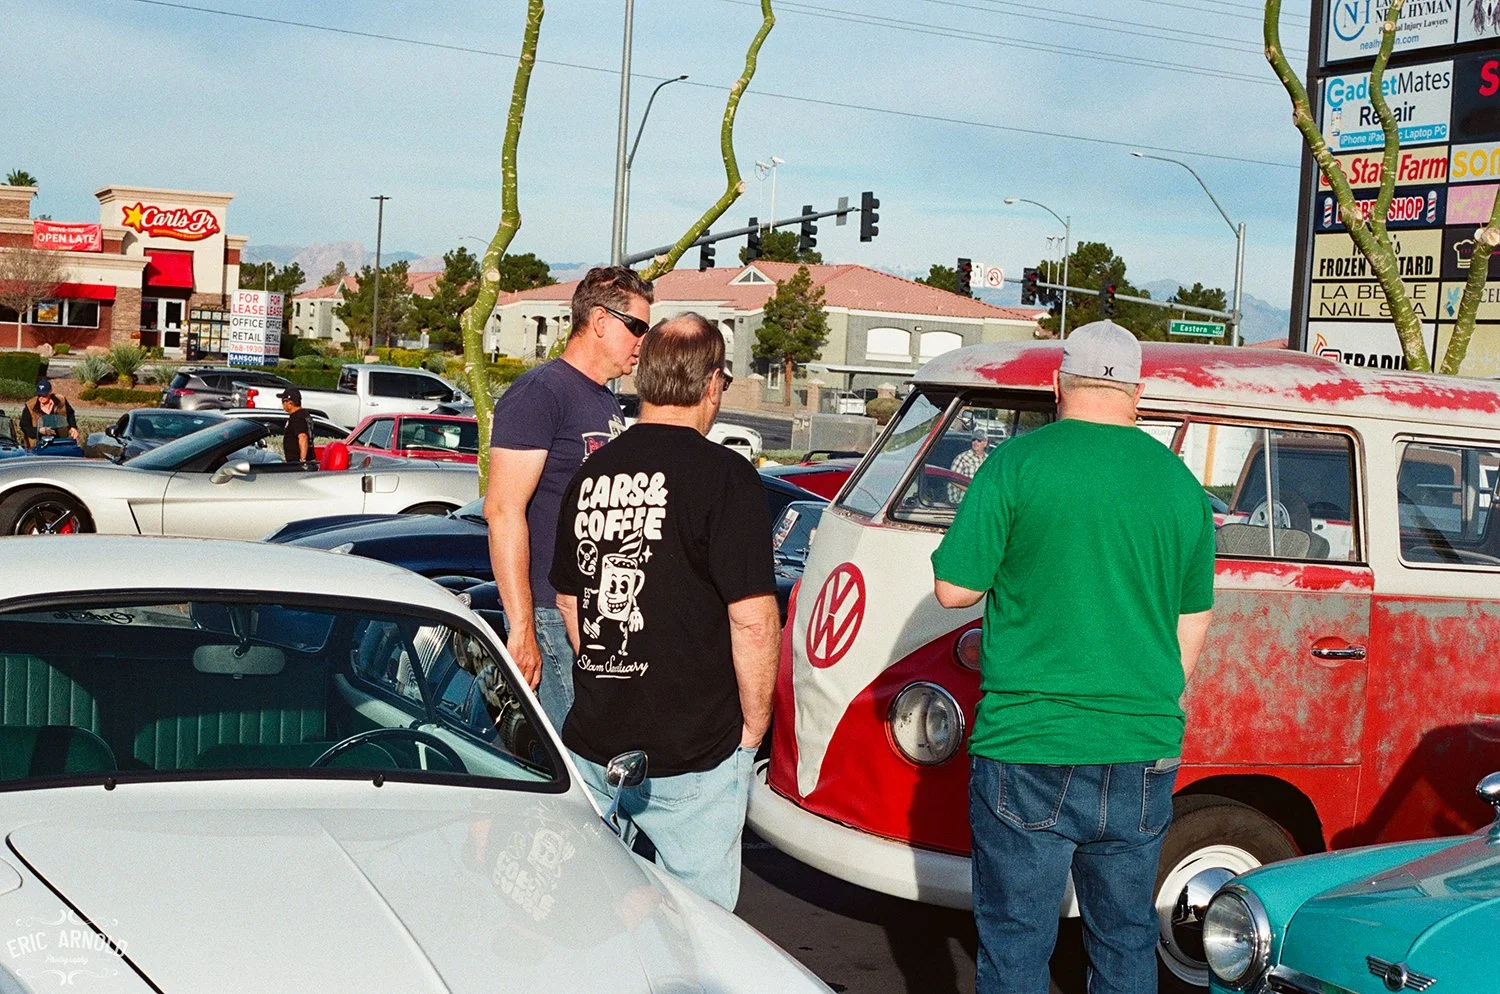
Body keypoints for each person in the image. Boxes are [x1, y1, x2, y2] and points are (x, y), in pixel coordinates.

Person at [930, 321, 1216, 994]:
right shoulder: (1179, 484)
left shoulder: (1016, 464)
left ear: (1058, 384)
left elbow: (953, 589)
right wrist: (1156, 696)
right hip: (1140, 744)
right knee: (1125, 940)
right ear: (1137, 394)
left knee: (1016, 944)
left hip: (1029, 740)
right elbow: (1195, 613)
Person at [550, 312, 779, 912]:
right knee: (696, 924)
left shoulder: (591, 473)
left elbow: (570, 601)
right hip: (693, 749)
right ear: (712, 384)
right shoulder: (726, 477)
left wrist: (612, 674)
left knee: (593, 910)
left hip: (596, 738)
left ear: (643, 379)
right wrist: (753, 729)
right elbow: (753, 620)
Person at [484, 265, 655, 731]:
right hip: (547, 613)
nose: (642, 341)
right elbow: (502, 511)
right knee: (577, 754)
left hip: (594, 612)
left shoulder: (604, 400)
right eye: (637, 327)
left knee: (603, 745)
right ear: (600, 320)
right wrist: (523, 627)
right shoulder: (539, 393)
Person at [18, 379, 79, 449]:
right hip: (38, 445)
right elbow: (24, 426)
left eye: (44, 395)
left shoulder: (61, 401)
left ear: (50, 392)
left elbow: (70, 414)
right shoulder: (30, 406)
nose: (41, 398)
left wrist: (73, 427)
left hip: (60, 441)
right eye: (39, 395)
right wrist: (39, 430)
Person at [948, 433, 989, 503]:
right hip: (962, 502)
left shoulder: (988, 460)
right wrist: (971, 491)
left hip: (981, 502)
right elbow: (952, 479)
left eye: (979, 440)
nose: (975, 442)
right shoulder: (962, 458)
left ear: (985, 443)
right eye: (973, 440)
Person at [279, 388, 312, 463]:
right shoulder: (304, 414)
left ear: (290, 403)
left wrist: (302, 460)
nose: (282, 404)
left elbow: (303, 437)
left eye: (283, 401)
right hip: (297, 461)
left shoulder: (297, 417)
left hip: (296, 462)